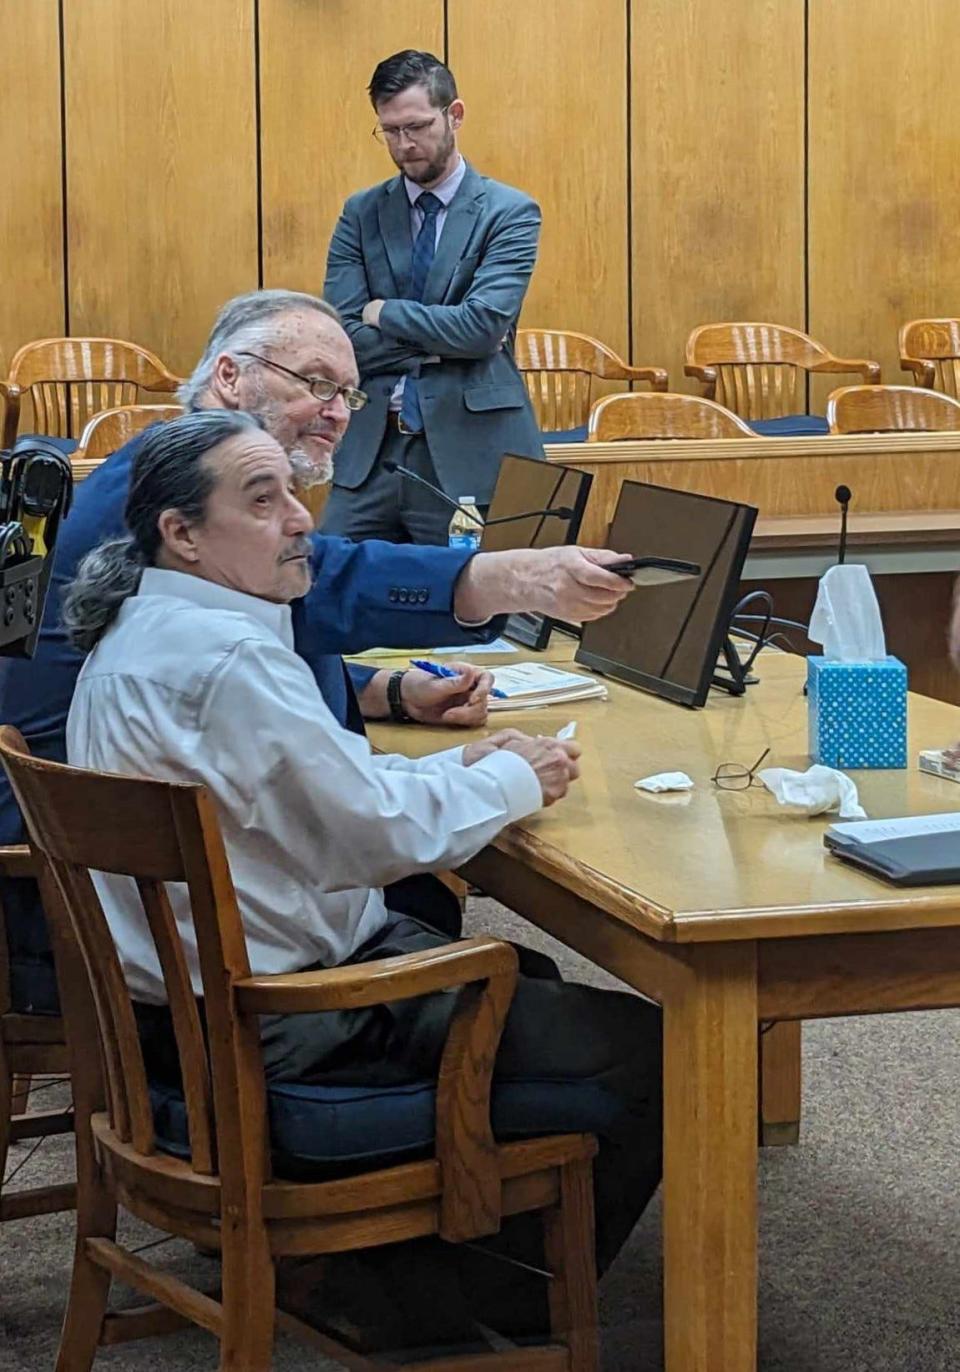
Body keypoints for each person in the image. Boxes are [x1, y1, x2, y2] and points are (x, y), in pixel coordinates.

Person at [63, 410, 662, 1351]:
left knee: (528, 982)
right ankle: (485, 1302)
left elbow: (317, 789)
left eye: (294, 496)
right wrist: (515, 777)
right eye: (262, 502)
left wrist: (460, 772)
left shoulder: (149, 629)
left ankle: (390, 1265)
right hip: (288, 1028)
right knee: (652, 1049)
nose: (301, 519)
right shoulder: (230, 661)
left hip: (172, 1025)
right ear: (181, 533)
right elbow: (371, 841)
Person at [0, 288, 635, 1010]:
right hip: (105, 892)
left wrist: (384, 691)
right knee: (436, 906)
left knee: (455, 923)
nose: (337, 411)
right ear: (230, 377)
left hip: (149, 858)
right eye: (317, 382)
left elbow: (232, 657)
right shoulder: (168, 488)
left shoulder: (177, 492)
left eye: (350, 395)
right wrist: (513, 575)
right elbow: (323, 587)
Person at [322, 50, 544, 544]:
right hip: (371, 453)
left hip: (470, 453)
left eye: (418, 126)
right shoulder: (360, 213)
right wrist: (446, 339)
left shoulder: (509, 212)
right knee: (325, 592)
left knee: (478, 610)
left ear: (455, 115)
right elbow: (343, 336)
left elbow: (482, 328)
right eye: (391, 131)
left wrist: (384, 313)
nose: (405, 144)